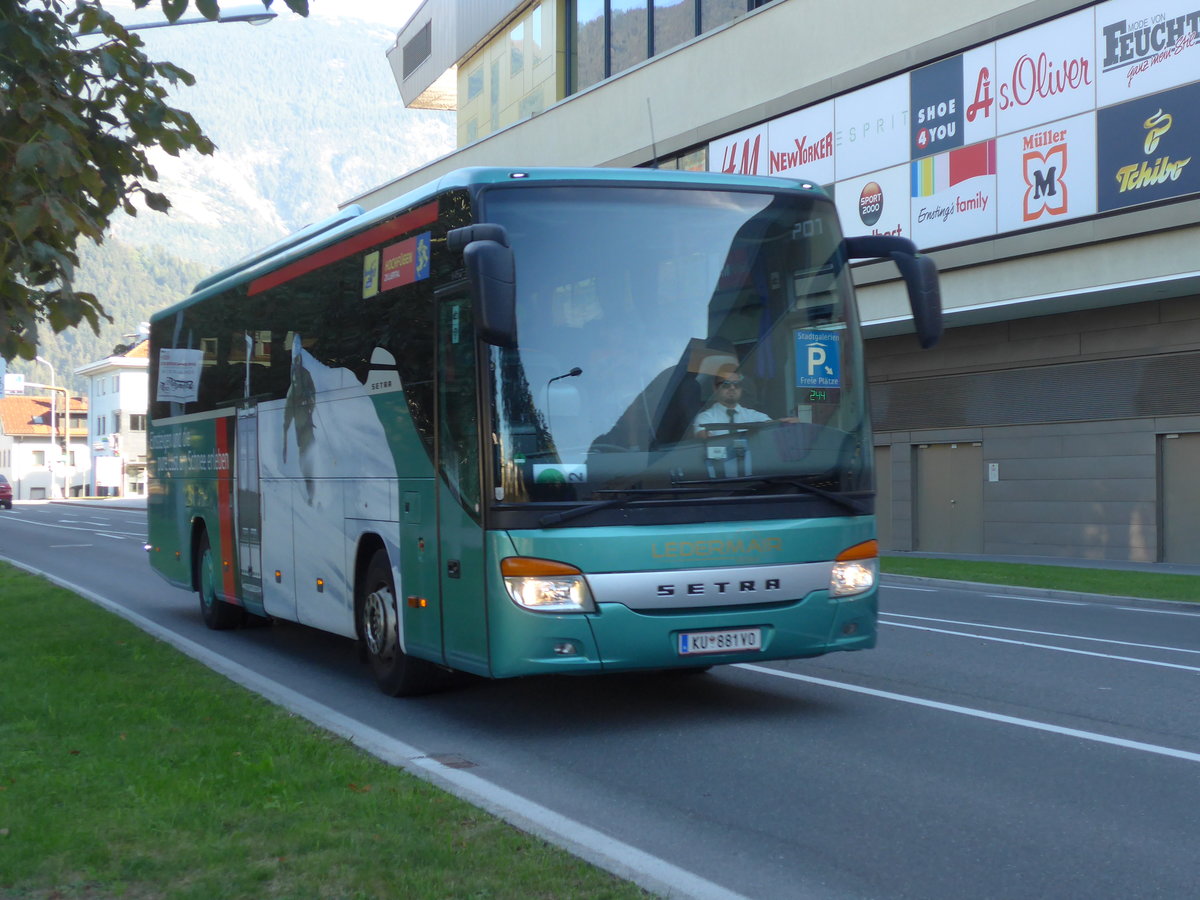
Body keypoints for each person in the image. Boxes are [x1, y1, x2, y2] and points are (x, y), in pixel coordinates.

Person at [692, 367, 794, 438]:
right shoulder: (705, 418)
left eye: (736, 384)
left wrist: (788, 422)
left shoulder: (753, 415)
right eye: (726, 384)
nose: (732, 388)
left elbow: (772, 426)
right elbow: (703, 440)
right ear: (715, 388)